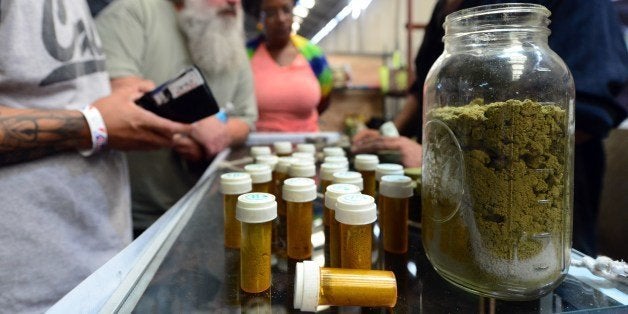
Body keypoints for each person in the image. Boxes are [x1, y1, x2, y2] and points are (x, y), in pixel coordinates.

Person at [353, 0, 628, 257]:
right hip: (452, 217)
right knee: (455, 264)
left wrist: (439, 160)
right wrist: (393, 134)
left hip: (538, 207)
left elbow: (591, 109)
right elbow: (425, 87)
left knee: (531, 284)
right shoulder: (448, 10)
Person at [0, 1, 192, 312]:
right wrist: (94, 124)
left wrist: (122, 101)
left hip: (102, 262)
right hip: (31, 285)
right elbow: (91, 118)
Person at [96, 0, 258, 236]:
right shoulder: (134, 13)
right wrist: (194, 128)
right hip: (133, 219)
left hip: (206, 208)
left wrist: (220, 133)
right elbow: (119, 100)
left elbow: (246, 118)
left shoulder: (231, 38)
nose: (233, 2)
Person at [244, 0, 333, 132]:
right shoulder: (246, 55)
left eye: (286, 10)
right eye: (270, 13)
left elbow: (325, 97)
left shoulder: (314, 55)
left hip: (306, 148)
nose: (281, 19)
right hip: (257, 148)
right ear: (259, 19)